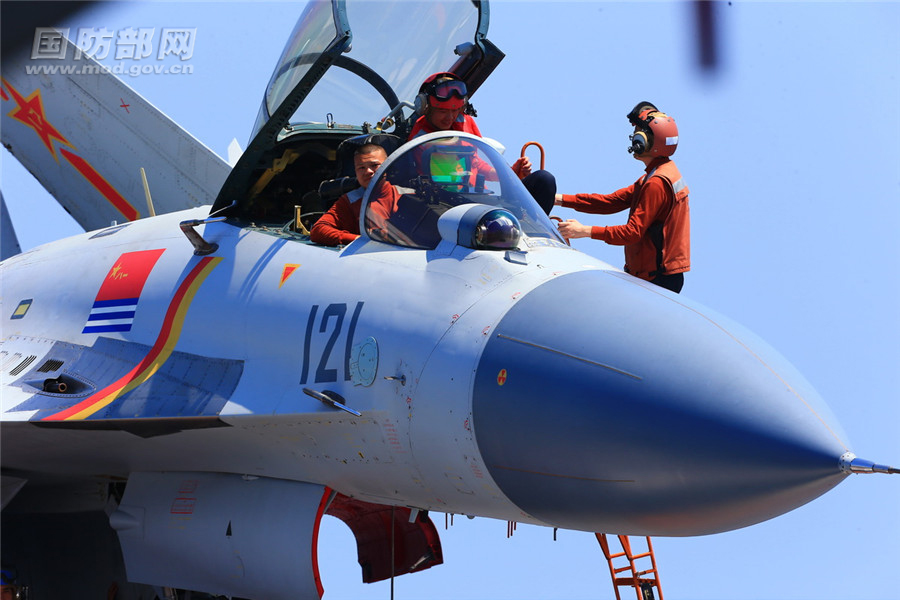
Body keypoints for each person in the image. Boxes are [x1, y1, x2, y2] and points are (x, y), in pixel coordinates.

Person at [555, 101, 690, 293]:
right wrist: (558, 199)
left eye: (638, 132)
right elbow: (610, 202)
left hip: (656, 280)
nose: (634, 137)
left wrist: (584, 231)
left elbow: (632, 233)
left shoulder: (656, 183)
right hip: (653, 277)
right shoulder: (657, 175)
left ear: (648, 141)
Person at [409, 72, 557, 215]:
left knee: (544, 180)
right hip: (449, 205)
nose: (450, 117)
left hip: (483, 200)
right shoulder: (420, 137)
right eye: (443, 111)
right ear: (425, 107)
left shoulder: (465, 121)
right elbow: (449, 177)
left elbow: (476, 163)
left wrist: (509, 173)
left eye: (455, 110)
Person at [310, 143, 389, 246]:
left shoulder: (406, 195)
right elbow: (318, 231)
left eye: (374, 165)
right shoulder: (350, 200)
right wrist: (358, 240)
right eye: (361, 168)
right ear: (355, 171)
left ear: (387, 166)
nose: (368, 171)